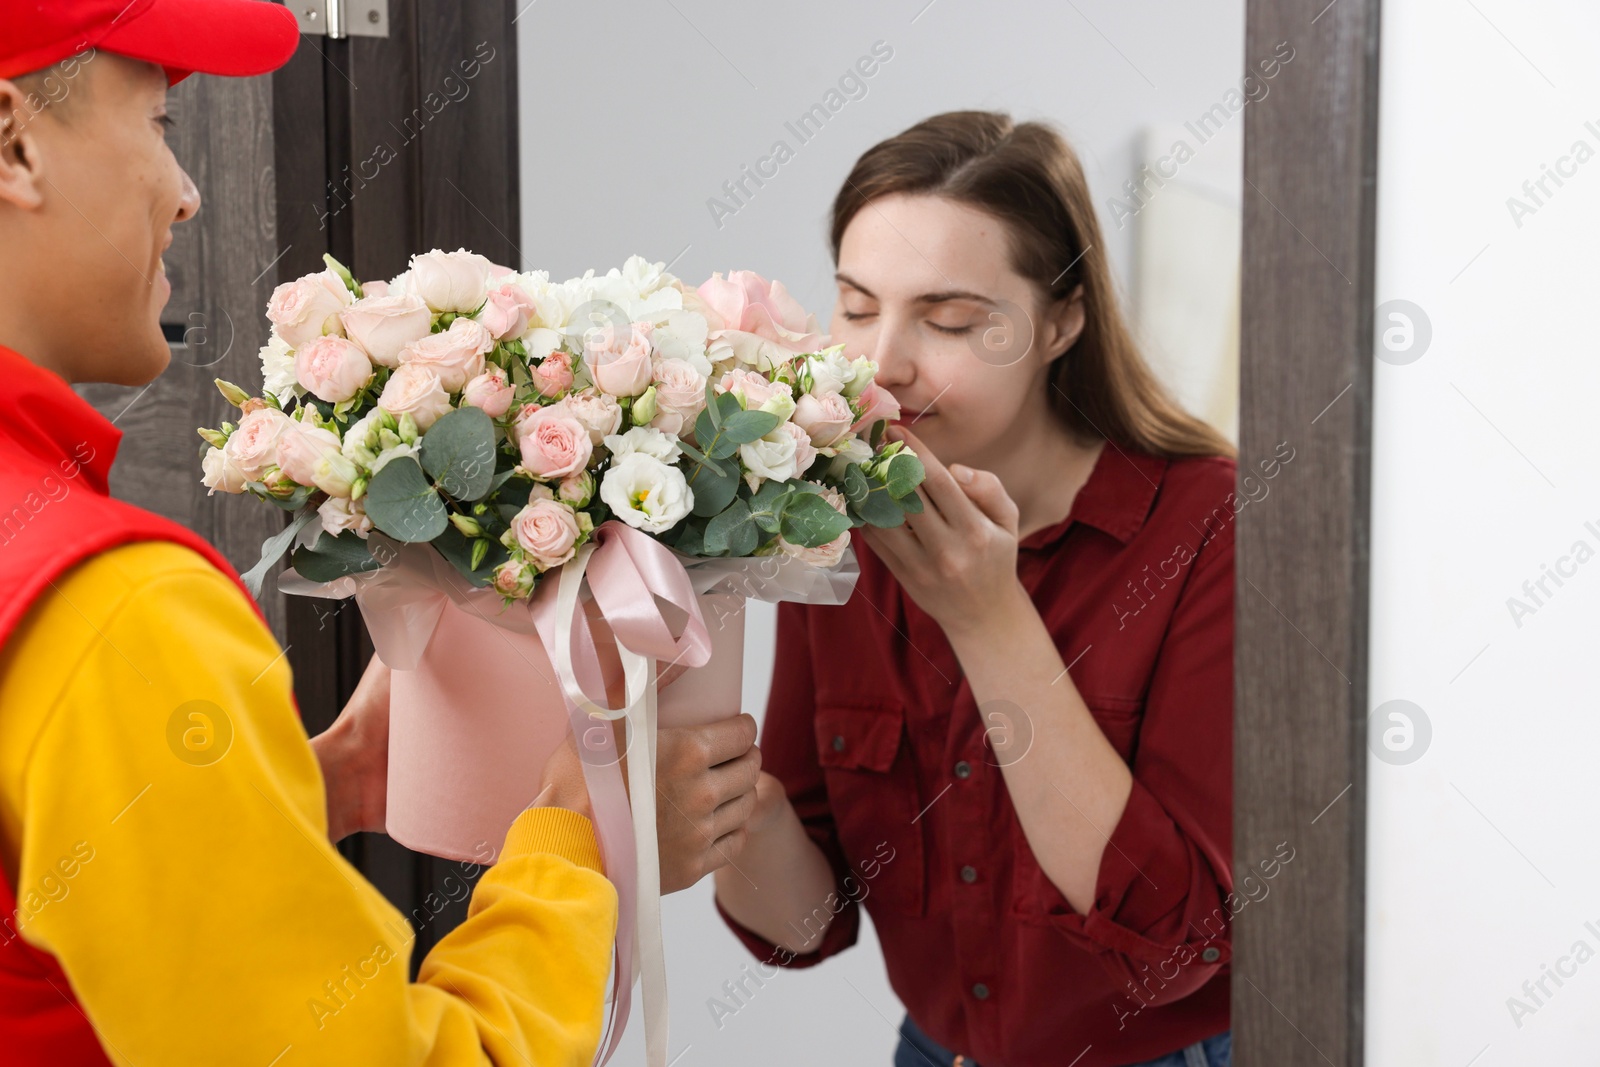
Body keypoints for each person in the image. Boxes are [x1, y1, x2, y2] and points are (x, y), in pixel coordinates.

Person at [0, 2, 760, 1063]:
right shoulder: (107, 612)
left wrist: (325, 781)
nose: (185, 194)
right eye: (162, 124)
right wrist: (582, 845)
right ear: (14, 142)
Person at [713, 111, 1239, 1067]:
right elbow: (804, 921)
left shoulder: (1214, 526)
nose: (882, 364)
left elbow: (1179, 946)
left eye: (950, 320)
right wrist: (710, 778)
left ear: (1061, 321)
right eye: (859, 306)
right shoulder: (832, 518)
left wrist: (988, 616)